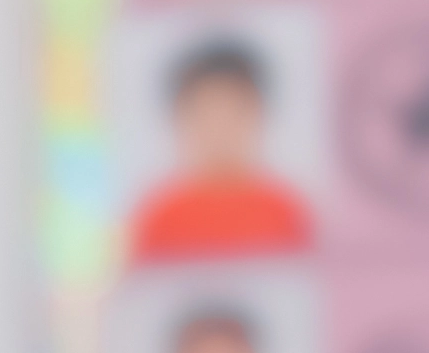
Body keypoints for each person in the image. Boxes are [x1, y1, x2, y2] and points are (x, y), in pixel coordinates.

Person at [128, 32, 321, 265]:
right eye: (205, 113)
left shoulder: (284, 211)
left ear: (257, 114)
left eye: (233, 111)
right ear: (180, 119)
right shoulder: (161, 216)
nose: (219, 128)